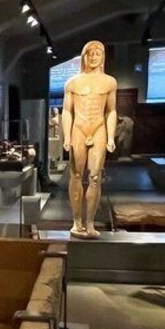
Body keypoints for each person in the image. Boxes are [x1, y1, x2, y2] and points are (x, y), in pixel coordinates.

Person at [61, 40, 117, 238]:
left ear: (103, 57)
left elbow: (111, 110)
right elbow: (67, 111)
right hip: (79, 128)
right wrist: (67, 135)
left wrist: (111, 136)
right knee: (76, 174)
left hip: (98, 128)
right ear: (84, 57)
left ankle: (90, 222)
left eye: (97, 53)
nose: (93, 57)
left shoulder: (110, 82)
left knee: (95, 177)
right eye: (90, 54)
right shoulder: (72, 82)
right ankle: (77, 222)